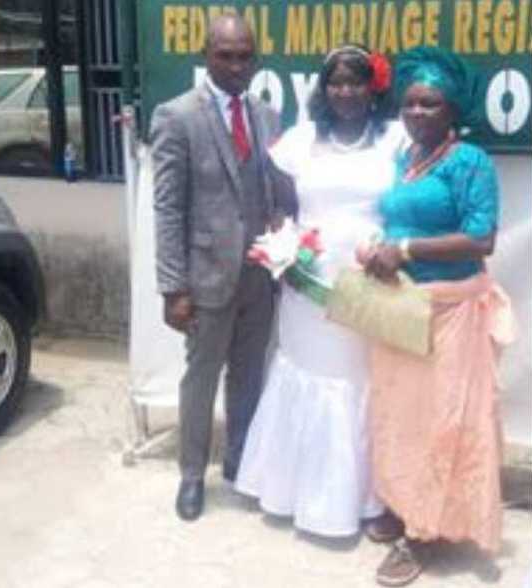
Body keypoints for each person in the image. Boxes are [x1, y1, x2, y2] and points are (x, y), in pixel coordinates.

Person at [356, 47, 513, 586]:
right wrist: (377, 248)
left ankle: (422, 534)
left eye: (430, 104)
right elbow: (396, 220)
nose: (417, 112)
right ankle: (404, 505)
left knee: (441, 422)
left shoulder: (470, 162)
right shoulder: (404, 158)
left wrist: (404, 250)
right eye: (410, 103)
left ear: (453, 111)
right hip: (400, 305)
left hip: (451, 311)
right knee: (400, 416)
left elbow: (481, 238)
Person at [234, 46, 404, 538]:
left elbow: (410, 202)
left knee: (358, 377)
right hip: (308, 283)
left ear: (374, 88)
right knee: (311, 371)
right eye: (336, 82)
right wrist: (284, 252)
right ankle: (295, 493)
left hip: (369, 281)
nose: (346, 91)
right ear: (323, 90)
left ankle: (363, 498)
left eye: (356, 81)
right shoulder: (300, 141)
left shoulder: (395, 138)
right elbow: (282, 209)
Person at [151, 14, 290, 521]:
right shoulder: (177, 116)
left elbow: (275, 189)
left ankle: (240, 463)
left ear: (256, 58)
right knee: (201, 378)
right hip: (206, 276)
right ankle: (192, 475)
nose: (236, 66)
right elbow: (168, 207)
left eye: (245, 56)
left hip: (259, 276)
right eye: (225, 55)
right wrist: (173, 287)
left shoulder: (267, 116)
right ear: (206, 55)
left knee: (249, 375)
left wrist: (282, 231)